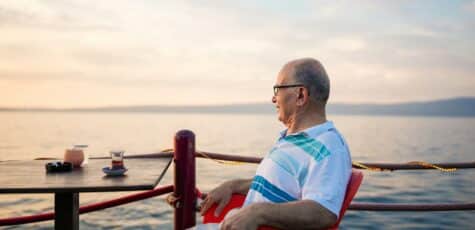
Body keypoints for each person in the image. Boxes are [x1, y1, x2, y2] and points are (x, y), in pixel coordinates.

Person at [200, 58, 352, 229]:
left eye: (278, 89)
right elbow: (279, 184)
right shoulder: (294, 140)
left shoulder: (329, 146)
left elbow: (324, 212)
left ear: (301, 95)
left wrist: (258, 213)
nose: (274, 99)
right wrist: (233, 186)